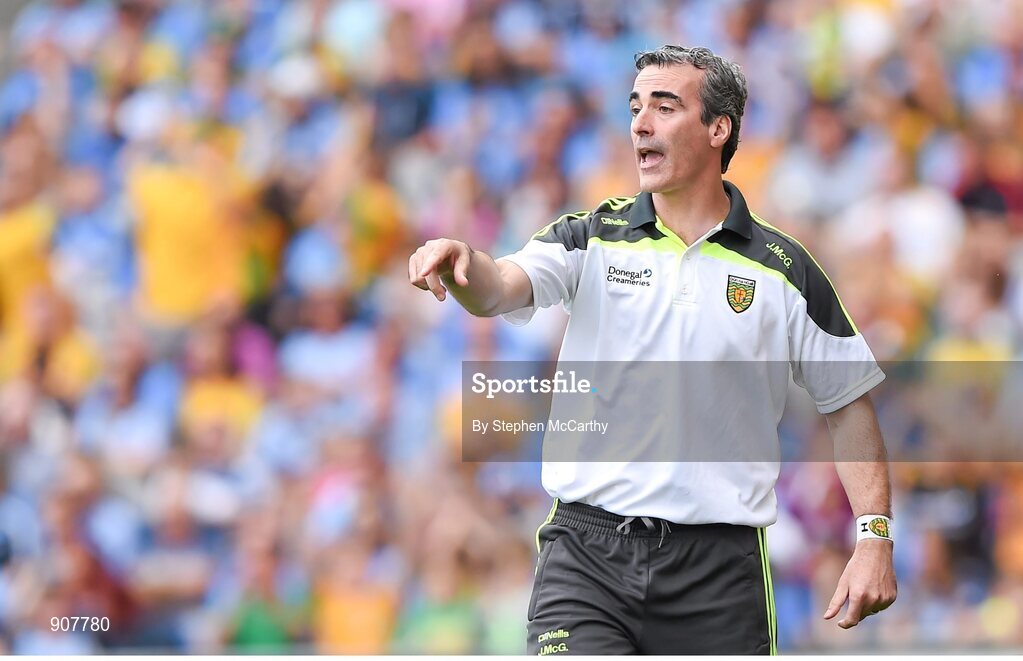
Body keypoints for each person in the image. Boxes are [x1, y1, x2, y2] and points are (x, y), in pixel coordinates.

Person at [408, 45, 896, 655]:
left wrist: (874, 537)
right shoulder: (589, 236)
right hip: (588, 557)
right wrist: (464, 264)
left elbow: (848, 405)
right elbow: (500, 287)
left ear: (719, 129)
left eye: (665, 107)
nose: (640, 123)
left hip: (718, 573)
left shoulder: (786, 271)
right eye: (636, 106)